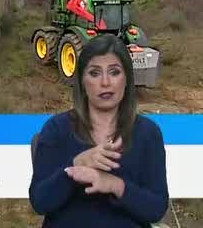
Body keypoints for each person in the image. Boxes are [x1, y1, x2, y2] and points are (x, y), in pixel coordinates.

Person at [29, 35, 169, 227]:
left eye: (114, 72)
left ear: (127, 78)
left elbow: (156, 208)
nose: (105, 82)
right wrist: (76, 165)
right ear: (82, 82)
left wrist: (114, 185)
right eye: (94, 73)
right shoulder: (56, 129)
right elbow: (40, 202)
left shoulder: (148, 133)